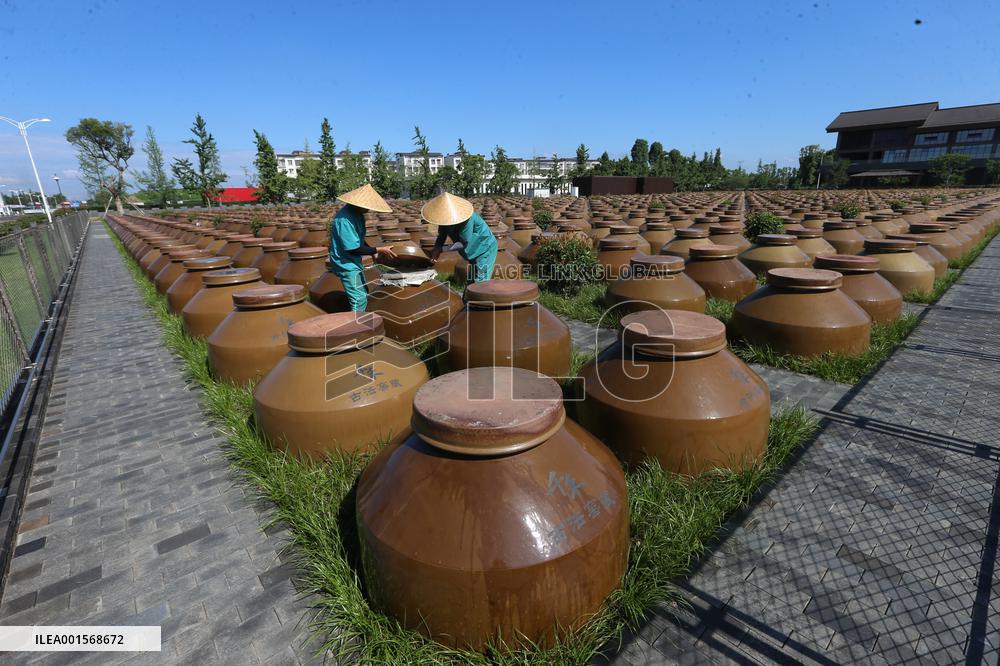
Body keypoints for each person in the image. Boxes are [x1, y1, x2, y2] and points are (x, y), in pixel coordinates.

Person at [329, 183, 396, 311]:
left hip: (353, 262)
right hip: (346, 264)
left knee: (363, 292)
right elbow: (352, 249)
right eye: (367, 206)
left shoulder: (357, 215)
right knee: (359, 300)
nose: (368, 210)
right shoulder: (344, 219)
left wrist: (372, 252)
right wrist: (378, 249)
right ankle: (355, 327)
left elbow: (357, 240)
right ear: (358, 204)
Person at [423, 192, 498, 284]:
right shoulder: (444, 219)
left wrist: (441, 249)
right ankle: (468, 297)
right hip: (472, 251)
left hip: (485, 249)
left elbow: (463, 243)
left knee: (480, 282)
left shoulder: (467, 219)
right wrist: (436, 249)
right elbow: (442, 236)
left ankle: (482, 296)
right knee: (472, 281)